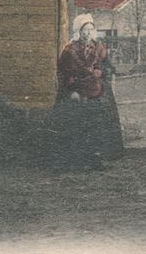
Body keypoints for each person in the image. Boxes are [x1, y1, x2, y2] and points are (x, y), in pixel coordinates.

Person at [51, 13, 124, 172]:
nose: (88, 32)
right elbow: (64, 72)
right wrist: (72, 90)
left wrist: (101, 72)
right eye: (85, 29)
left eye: (91, 29)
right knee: (76, 126)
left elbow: (109, 67)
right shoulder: (70, 50)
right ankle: (76, 162)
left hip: (97, 92)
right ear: (79, 31)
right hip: (76, 92)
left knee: (96, 126)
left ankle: (96, 159)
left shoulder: (99, 47)